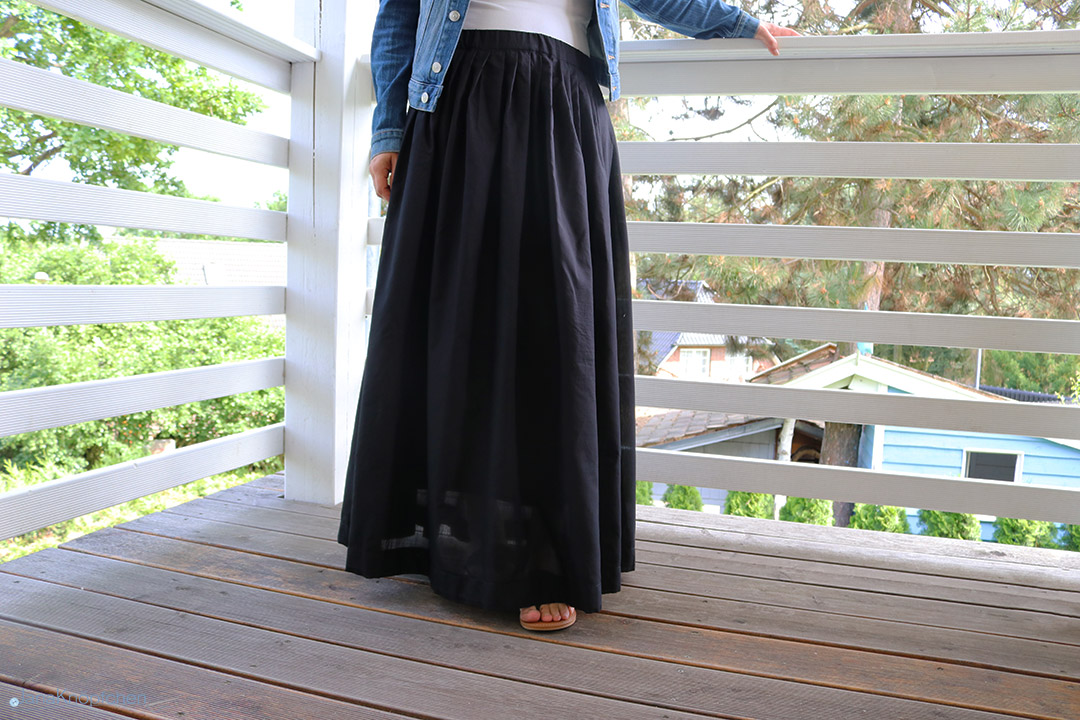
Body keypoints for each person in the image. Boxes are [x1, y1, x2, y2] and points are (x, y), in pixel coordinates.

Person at [337, 0, 799, 632]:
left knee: (554, 331)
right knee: (454, 329)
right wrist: (388, 131)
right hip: (453, 103)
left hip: (560, 107)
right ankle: (449, 541)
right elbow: (398, 17)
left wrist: (740, 22)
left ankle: (547, 560)